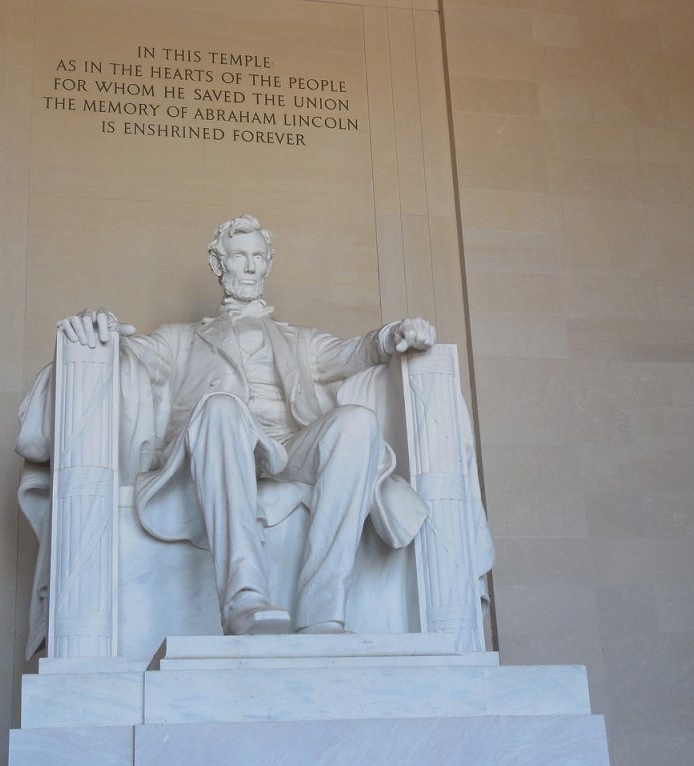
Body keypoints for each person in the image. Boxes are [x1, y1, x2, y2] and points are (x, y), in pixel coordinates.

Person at [50, 215, 438, 636]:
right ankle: (245, 599)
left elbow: (357, 352)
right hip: (219, 442)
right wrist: (96, 324)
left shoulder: (301, 340)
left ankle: (323, 610)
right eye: (239, 257)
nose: (251, 267)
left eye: (258, 257)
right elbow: (127, 353)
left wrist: (396, 333)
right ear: (219, 265)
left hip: (290, 447)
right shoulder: (180, 339)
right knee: (220, 407)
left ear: (269, 263)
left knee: (358, 423)